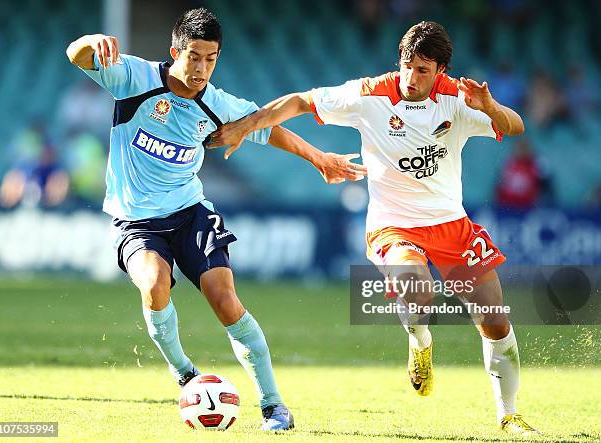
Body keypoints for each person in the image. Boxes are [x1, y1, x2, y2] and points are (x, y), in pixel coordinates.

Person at [209, 21, 539, 436]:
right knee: (416, 290)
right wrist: (245, 125)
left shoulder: (458, 98)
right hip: (393, 225)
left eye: (423, 70)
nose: (411, 77)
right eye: (407, 65)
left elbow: (515, 126)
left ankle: (508, 417)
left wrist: (489, 107)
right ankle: (419, 341)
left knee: (495, 320)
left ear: (440, 70)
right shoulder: (370, 94)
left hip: (451, 224)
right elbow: (299, 101)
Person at [66, 8, 366, 431]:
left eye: (211, 58)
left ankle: (273, 405)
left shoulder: (217, 104)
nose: (201, 67)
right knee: (154, 285)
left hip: (191, 213)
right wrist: (90, 40)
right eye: (194, 56)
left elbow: (267, 126)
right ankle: (184, 372)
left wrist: (319, 158)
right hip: (136, 221)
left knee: (225, 300)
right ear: (175, 52)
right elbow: (74, 55)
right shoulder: (133, 77)